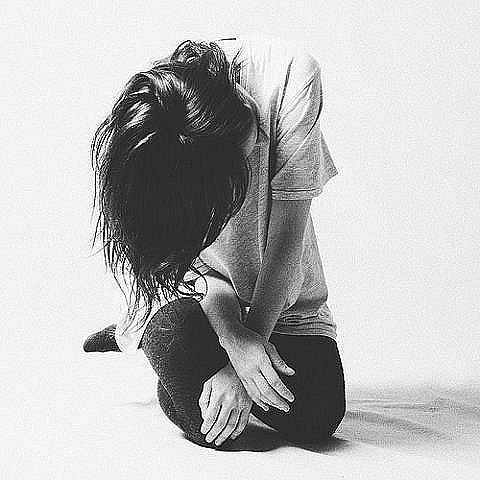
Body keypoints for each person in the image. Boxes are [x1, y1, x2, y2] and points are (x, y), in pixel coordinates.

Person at [84, 33, 345, 450]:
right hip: (208, 298)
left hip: (285, 303)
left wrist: (246, 351)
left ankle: (133, 329)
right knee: (206, 421)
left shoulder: (291, 76)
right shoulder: (170, 142)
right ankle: (145, 327)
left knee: (319, 416)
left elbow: (286, 241)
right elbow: (205, 270)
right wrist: (231, 338)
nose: (255, 153)